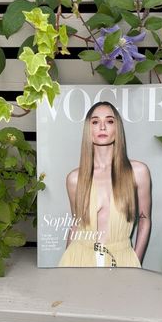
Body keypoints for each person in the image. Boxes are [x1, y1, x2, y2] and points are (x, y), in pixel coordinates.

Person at [58, 101, 151, 268]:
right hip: (77, 258)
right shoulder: (74, 179)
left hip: (123, 259)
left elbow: (144, 220)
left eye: (109, 121)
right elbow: (76, 223)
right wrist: (65, 267)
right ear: (88, 129)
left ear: (118, 129)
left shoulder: (138, 172)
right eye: (95, 122)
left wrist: (135, 261)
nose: (102, 127)